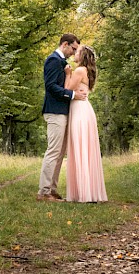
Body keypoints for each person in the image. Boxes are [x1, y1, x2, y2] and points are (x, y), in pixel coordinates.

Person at [37, 33, 88, 201]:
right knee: (53, 151)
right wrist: (72, 94)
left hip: (64, 112)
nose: (74, 53)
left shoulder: (63, 63)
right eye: (73, 49)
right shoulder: (53, 60)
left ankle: (51, 189)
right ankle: (43, 192)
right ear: (65, 44)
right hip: (54, 111)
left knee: (60, 153)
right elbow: (51, 87)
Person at [64, 45, 108, 203]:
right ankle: (88, 192)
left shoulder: (80, 70)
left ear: (82, 56)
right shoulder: (87, 71)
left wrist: (68, 74)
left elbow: (67, 89)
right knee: (86, 150)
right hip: (85, 110)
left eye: (78, 51)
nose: (75, 53)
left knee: (80, 149)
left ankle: (83, 193)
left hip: (80, 112)